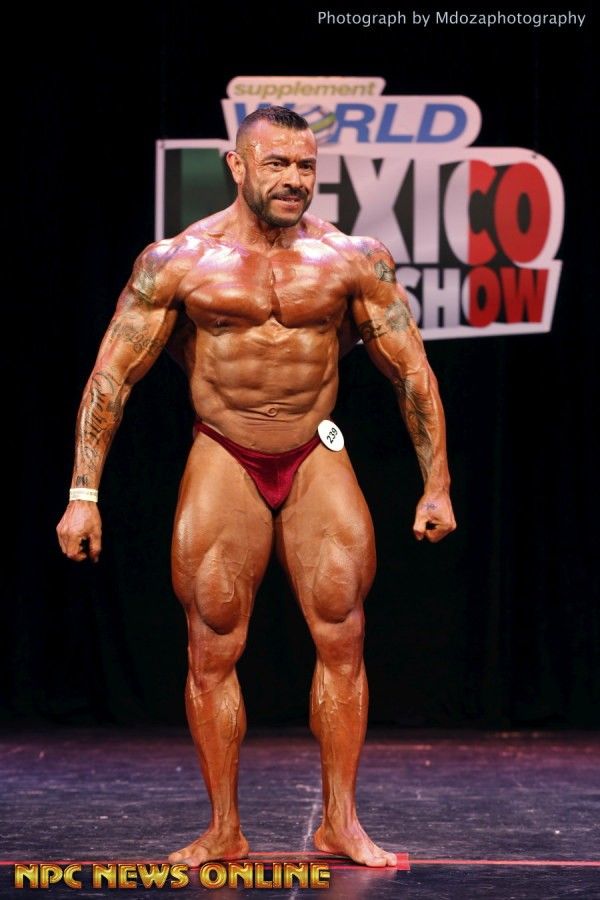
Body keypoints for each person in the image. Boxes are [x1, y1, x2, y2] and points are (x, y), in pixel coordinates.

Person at [57, 106, 456, 868]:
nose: (293, 180)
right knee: (212, 639)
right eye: (276, 164)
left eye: (305, 166)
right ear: (236, 166)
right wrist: (84, 494)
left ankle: (340, 822)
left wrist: (436, 484)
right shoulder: (179, 261)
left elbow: (412, 373)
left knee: (342, 627)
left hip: (313, 448)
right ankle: (223, 829)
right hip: (224, 449)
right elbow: (112, 376)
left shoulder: (351, 260)